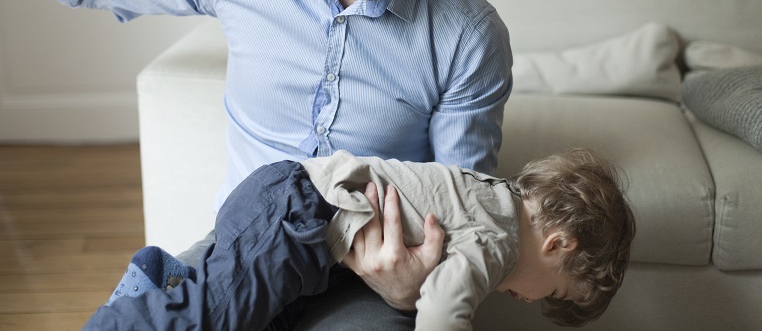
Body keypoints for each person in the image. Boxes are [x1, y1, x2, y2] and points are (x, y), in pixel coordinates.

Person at [23, 0, 513, 327]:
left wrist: (411, 288)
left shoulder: (470, 35)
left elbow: (466, 207)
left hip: (369, 282)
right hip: (242, 248)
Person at [83, 148, 636, 330]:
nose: (528, 300)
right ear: (559, 244)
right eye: (554, 292)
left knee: (256, 321)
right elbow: (444, 307)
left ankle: (163, 278)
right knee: (213, 318)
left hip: (300, 230)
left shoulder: (492, 196)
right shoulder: (499, 238)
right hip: (295, 214)